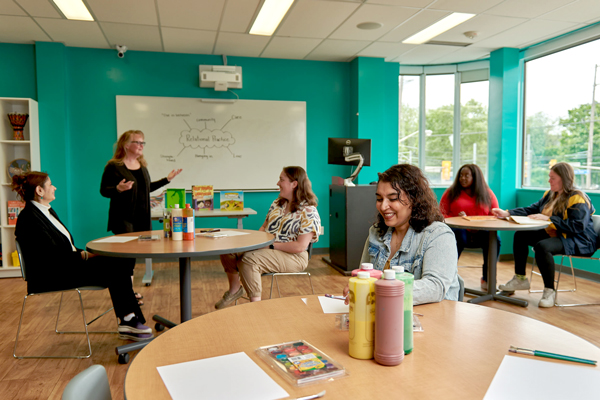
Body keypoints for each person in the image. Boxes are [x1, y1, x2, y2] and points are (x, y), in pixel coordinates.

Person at [12, 172, 152, 341]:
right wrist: (86, 257)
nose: (54, 187)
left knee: (121, 258)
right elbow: (53, 257)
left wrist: (88, 254)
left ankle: (127, 314)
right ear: (40, 191)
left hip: (65, 266)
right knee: (115, 266)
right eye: (50, 185)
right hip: (51, 275)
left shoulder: (45, 212)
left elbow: (65, 248)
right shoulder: (29, 218)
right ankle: (128, 315)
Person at [343, 164, 460, 305]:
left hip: (432, 319)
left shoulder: (438, 235)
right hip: (385, 314)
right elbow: (364, 275)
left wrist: (378, 291)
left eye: (392, 199)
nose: (383, 206)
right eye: (379, 199)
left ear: (414, 199)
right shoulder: (376, 232)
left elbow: (435, 287)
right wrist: (357, 286)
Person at [492, 162, 597, 308]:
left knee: (542, 247)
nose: (549, 181)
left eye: (552, 178)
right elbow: (532, 209)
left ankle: (549, 291)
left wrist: (549, 219)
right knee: (520, 235)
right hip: (557, 233)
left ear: (564, 179)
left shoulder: (577, 198)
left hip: (578, 239)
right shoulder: (550, 195)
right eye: (549, 177)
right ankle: (520, 278)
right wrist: (508, 213)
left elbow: (577, 226)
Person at [214, 166, 321, 309]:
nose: (278, 183)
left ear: (294, 184)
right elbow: (264, 227)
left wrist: (271, 245)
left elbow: (300, 246)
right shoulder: (277, 204)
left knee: (250, 259)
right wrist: (255, 242)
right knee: (229, 249)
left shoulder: (308, 211)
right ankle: (234, 290)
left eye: (281, 180)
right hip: (268, 248)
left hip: (294, 256)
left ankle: (256, 308)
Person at [100, 130, 182, 305]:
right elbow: (103, 190)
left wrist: (167, 180)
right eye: (137, 142)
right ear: (126, 145)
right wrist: (118, 189)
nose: (141, 146)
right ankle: (126, 293)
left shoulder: (142, 166)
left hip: (141, 219)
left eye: (143, 143)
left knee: (133, 256)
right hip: (123, 218)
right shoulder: (114, 167)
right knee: (125, 257)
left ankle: (128, 291)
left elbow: (146, 188)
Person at [439, 164, 500, 291]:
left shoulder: (487, 193)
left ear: (475, 177)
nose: (463, 178)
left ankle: (488, 279)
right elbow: (441, 213)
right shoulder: (451, 192)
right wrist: (457, 218)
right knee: (458, 234)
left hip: (481, 232)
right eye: (461, 175)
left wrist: (477, 222)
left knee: (495, 239)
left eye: (467, 175)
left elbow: (495, 214)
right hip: (459, 232)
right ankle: (448, 277)